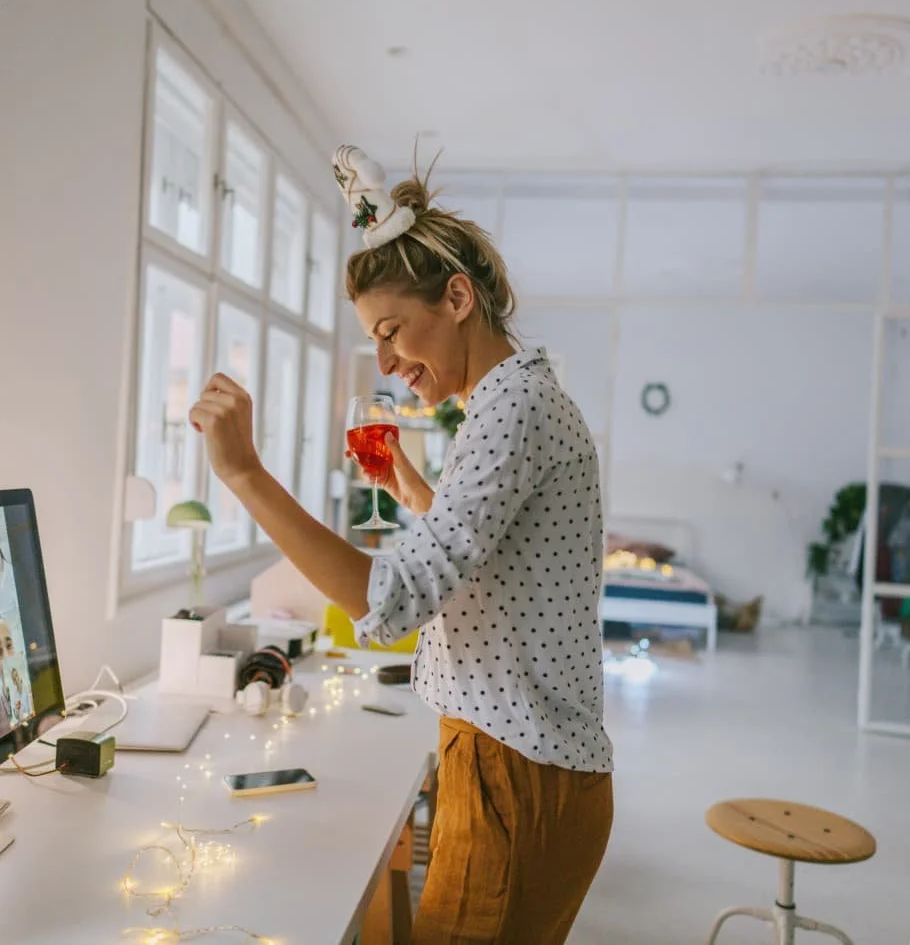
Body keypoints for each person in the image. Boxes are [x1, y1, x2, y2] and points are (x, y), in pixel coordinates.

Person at [188, 145, 613, 943]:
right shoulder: (509, 399)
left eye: (392, 332)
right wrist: (413, 490)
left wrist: (244, 473)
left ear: (457, 296)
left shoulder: (510, 411)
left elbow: (391, 603)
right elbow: (484, 558)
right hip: (516, 764)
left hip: (516, 774)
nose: (385, 362)